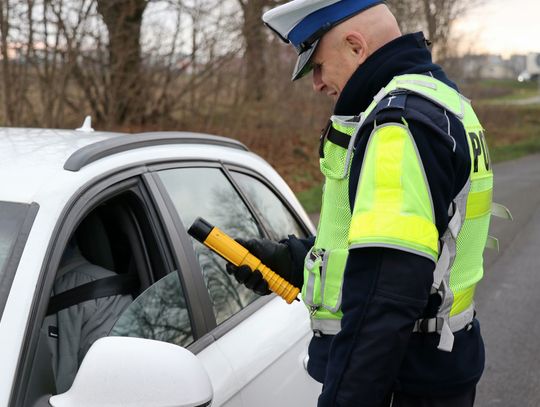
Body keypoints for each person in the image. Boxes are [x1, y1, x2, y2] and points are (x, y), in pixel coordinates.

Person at [226, 1, 510, 406]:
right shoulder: (441, 101)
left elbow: (385, 298)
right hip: (435, 366)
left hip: (403, 381)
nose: (317, 83)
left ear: (356, 47)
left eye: (318, 65)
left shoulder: (397, 126)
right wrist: (288, 260)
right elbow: (399, 252)